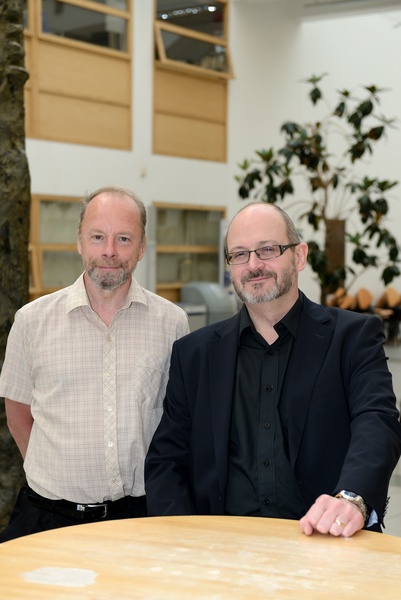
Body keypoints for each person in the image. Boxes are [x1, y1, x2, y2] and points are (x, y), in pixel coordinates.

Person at [145, 201, 401, 537]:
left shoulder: (352, 337)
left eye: (267, 249)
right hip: (222, 550)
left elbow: (377, 420)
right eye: (240, 254)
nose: (253, 265)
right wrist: (183, 539)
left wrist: (351, 497)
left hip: (326, 542)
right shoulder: (194, 355)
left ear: (299, 256)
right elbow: (167, 460)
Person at [0, 186, 189, 542]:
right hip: (48, 519)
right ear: (79, 242)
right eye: (98, 237)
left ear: (142, 247)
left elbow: (177, 419)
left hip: (140, 518)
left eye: (123, 238)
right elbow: (17, 416)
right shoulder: (30, 321)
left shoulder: (172, 323)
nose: (109, 251)